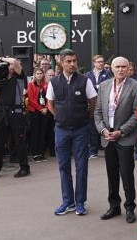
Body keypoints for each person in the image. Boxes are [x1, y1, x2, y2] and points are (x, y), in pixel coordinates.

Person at [47, 49, 97, 216]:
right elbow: (50, 104)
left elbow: (92, 102)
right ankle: (67, 202)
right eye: (69, 61)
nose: (73, 64)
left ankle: (80, 202)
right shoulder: (54, 82)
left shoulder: (85, 81)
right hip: (61, 130)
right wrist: (60, 118)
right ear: (61, 62)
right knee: (63, 166)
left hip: (81, 129)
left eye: (74, 61)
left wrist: (84, 118)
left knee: (82, 166)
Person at [94, 56, 137, 224]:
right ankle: (114, 206)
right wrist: (102, 130)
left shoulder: (136, 86)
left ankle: (130, 207)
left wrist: (121, 131)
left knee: (127, 174)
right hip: (107, 138)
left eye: (124, 66)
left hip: (125, 138)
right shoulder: (104, 86)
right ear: (112, 69)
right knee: (111, 174)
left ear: (128, 68)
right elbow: (98, 113)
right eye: (118, 67)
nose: (121, 69)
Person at [0, 57, 30, 179]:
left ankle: (24, 168)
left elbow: (16, 63)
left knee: (19, 141)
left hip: (16, 113)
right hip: (1, 113)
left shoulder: (19, 78)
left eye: (9, 65)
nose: (8, 66)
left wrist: (2, 59)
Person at [85, 55, 112, 159]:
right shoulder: (88, 74)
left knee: (105, 125)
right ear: (94, 63)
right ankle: (93, 151)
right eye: (99, 61)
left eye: (102, 61)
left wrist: (97, 87)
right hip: (92, 104)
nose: (101, 63)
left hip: (105, 103)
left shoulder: (108, 73)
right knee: (92, 127)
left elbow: (108, 86)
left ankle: (107, 149)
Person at [27, 67, 49, 162]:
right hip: (35, 111)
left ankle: (41, 152)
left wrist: (46, 108)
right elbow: (31, 99)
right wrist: (40, 109)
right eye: (38, 73)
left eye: (41, 73)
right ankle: (35, 153)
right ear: (35, 75)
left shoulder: (46, 85)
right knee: (35, 132)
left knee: (43, 132)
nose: (40, 75)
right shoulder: (31, 85)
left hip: (44, 111)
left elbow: (49, 98)